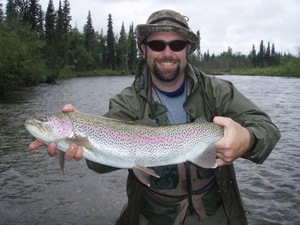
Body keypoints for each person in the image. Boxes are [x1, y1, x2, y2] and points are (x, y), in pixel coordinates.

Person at [29, 9, 281, 225]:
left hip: (218, 214)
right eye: (157, 44)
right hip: (154, 216)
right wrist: (75, 147)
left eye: (177, 44)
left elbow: (267, 129)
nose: (167, 53)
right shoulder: (126, 101)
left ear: (188, 49)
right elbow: (99, 162)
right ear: (144, 49)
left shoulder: (218, 92)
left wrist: (247, 139)